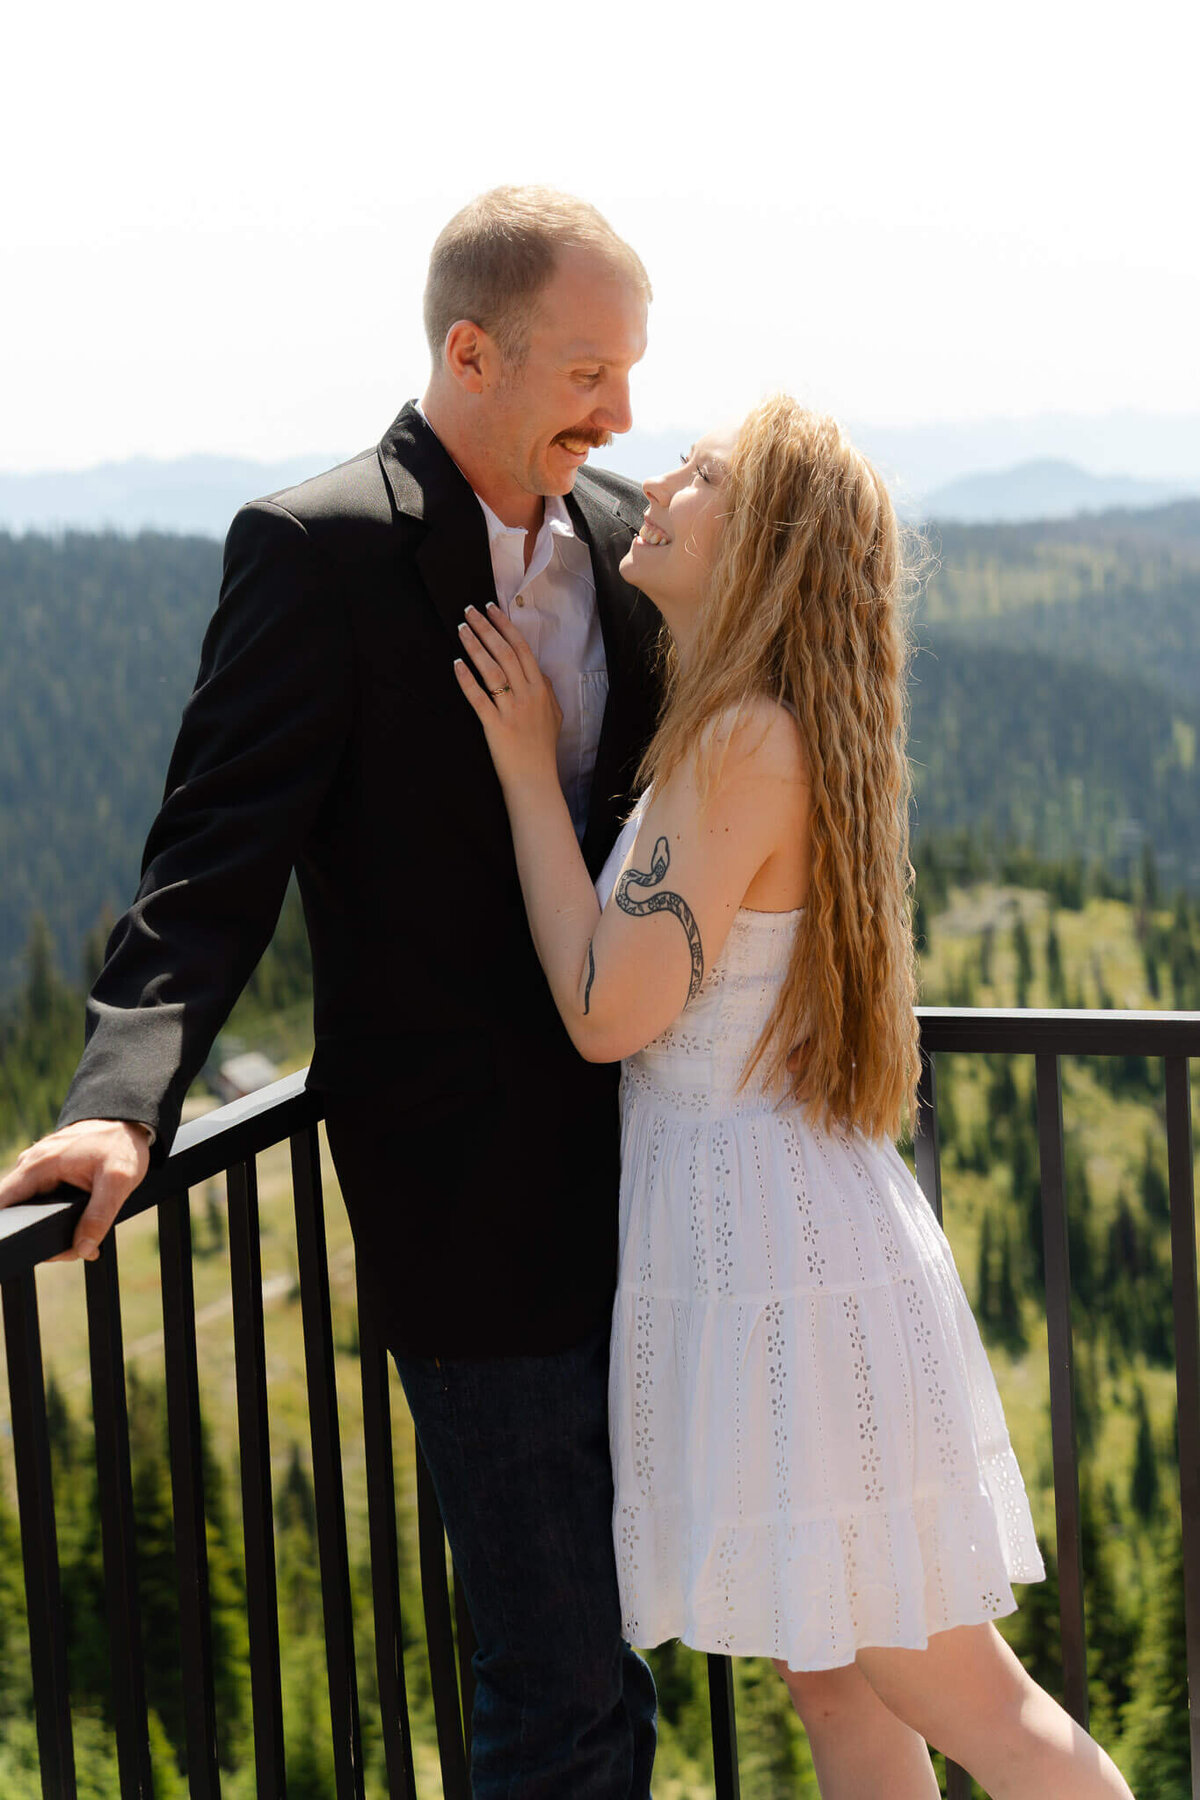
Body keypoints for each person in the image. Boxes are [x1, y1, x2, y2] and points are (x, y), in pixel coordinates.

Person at [0, 187, 661, 1799]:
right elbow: (209, 859)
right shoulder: (323, 549)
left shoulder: (635, 538)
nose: (623, 412)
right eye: (590, 372)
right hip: (471, 1207)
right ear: (470, 351)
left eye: (634, 372)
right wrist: (113, 1105)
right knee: (558, 1684)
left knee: (626, 1649)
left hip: (661, 1176)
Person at [455, 395, 1137, 1799]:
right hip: (762, 1244)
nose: (658, 479)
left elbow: (604, 1012)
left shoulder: (745, 741)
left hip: (784, 1269)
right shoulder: (746, 723)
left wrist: (527, 772)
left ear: (762, 541)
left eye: (701, 474)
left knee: (975, 1704)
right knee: (831, 1679)